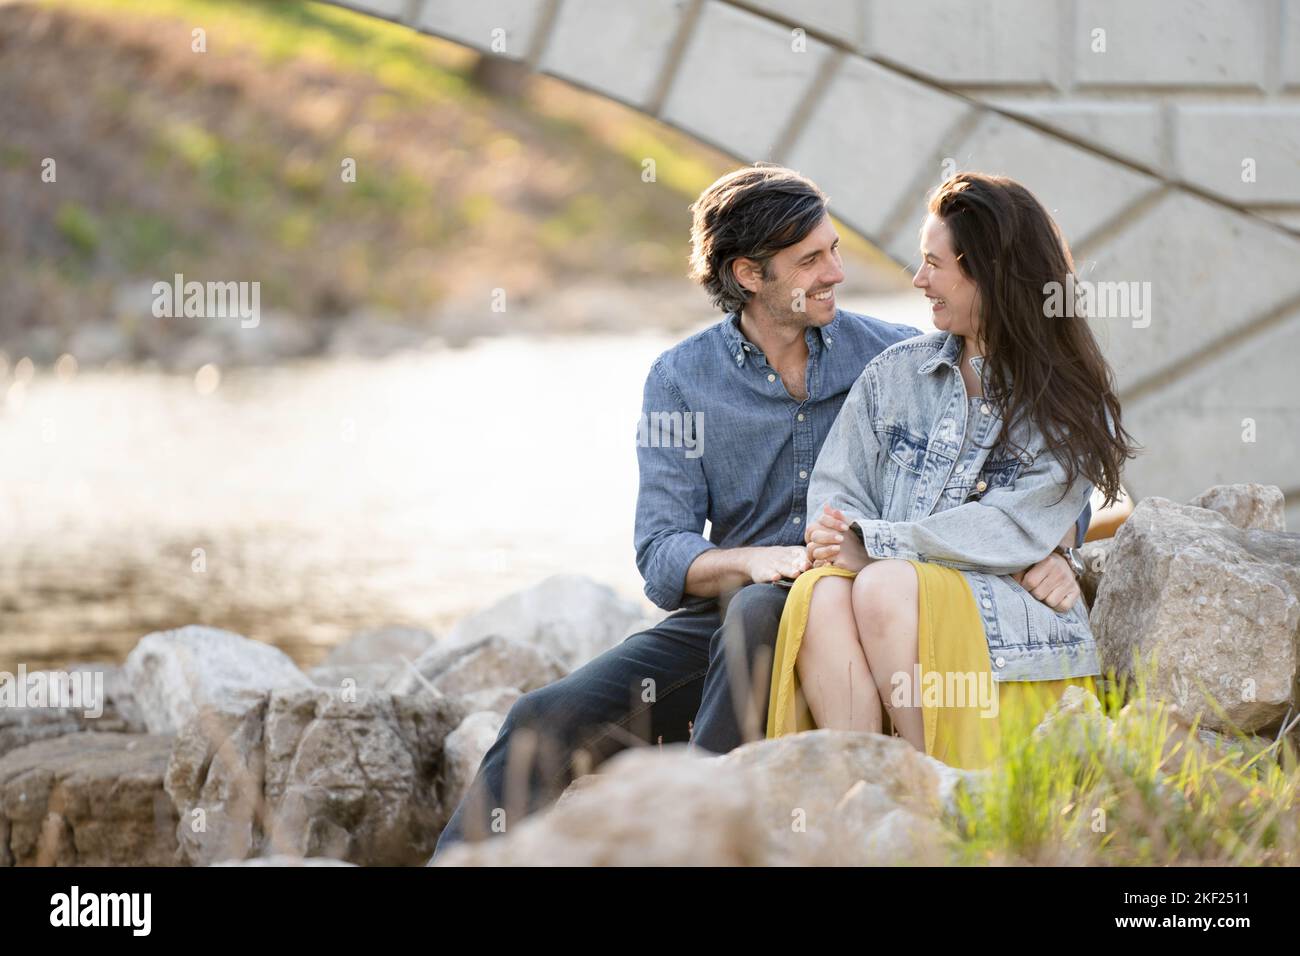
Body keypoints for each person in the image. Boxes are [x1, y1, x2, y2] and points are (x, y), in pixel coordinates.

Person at [431, 165, 1088, 860]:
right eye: (811, 260)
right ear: (749, 275)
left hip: (839, 596)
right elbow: (660, 553)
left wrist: (1059, 550)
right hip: (727, 607)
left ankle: (701, 831)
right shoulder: (681, 380)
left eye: (834, 249)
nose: (837, 271)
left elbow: (1032, 448)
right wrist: (751, 561)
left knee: (758, 618)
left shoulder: (894, 355)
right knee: (542, 717)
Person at [766, 172, 1138, 769]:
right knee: (821, 595)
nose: (919, 281)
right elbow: (838, 493)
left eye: (934, 265)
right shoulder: (895, 373)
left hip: (1006, 620)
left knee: (883, 583)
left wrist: (877, 547)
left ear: (989, 272)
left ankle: (931, 785)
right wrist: (842, 539)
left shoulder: (1065, 398)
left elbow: (1015, 529)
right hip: (892, 594)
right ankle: (865, 785)